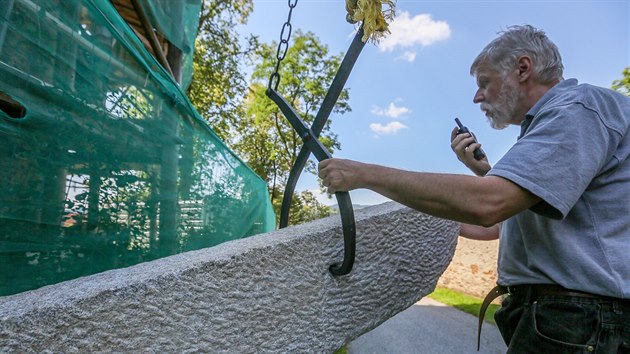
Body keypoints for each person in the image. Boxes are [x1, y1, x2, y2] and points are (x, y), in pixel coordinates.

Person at [318, 25, 630, 353]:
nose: (477, 96)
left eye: (485, 82)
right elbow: (498, 225)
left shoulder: (578, 108)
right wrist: (480, 175)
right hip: (568, 317)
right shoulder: (550, 123)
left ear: (523, 68)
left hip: (584, 319)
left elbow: (489, 206)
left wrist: (364, 174)